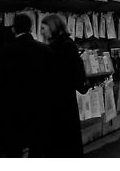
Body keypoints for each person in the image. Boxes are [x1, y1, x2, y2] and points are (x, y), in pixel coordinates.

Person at [0, 13, 54, 157]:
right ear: (31, 28)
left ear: (13, 29)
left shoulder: (4, 52)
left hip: (10, 115)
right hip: (38, 113)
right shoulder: (45, 51)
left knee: (12, 151)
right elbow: (52, 82)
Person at [40, 14, 87, 158]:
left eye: (43, 28)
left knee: (59, 145)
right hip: (65, 103)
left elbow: (75, 75)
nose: (41, 32)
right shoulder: (66, 45)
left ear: (53, 27)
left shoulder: (61, 47)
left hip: (59, 103)